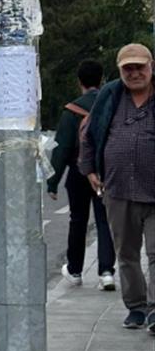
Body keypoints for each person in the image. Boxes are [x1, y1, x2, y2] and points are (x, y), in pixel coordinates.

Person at [79, 44, 155, 332]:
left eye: (140, 67)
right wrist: (89, 170)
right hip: (119, 188)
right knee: (127, 253)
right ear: (120, 70)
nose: (135, 73)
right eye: (128, 68)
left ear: (151, 66)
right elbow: (89, 135)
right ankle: (136, 307)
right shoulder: (110, 96)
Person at [47, 60, 116, 291]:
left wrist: (52, 182)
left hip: (78, 173)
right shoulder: (110, 104)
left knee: (78, 220)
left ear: (80, 82)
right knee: (105, 220)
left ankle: (75, 270)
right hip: (106, 170)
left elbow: (62, 148)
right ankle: (106, 271)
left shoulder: (72, 111)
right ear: (102, 79)